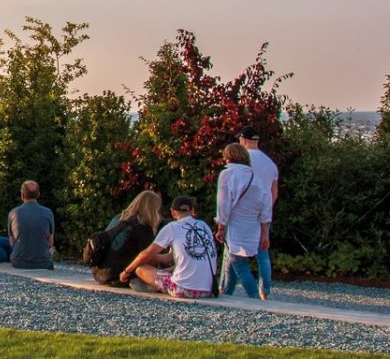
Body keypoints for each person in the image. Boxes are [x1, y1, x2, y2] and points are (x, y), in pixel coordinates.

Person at [119, 195, 217, 300]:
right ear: (192, 210)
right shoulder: (204, 226)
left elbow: (146, 254)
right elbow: (169, 257)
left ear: (173, 212)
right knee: (173, 266)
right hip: (208, 290)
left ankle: (155, 284)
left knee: (141, 269)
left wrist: (127, 271)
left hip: (183, 290)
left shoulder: (172, 228)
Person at [215, 143, 272, 300]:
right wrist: (265, 233)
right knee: (232, 263)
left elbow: (223, 204)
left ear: (229, 157)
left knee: (238, 265)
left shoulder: (227, 175)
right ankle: (226, 294)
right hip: (253, 226)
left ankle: (254, 297)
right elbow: (265, 206)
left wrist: (221, 227)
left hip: (236, 225)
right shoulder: (255, 176)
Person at [239, 125, 279, 299]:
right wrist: (267, 208)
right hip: (264, 212)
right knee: (263, 252)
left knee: (236, 253)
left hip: (245, 211)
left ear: (244, 140)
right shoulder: (270, 163)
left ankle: (230, 289)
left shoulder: (242, 160)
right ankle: (265, 290)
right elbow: (274, 192)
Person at [90, 190, 164, 285]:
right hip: (118, 276)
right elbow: (146, 257)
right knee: (148, 270)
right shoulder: (142, 226)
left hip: (99, 273)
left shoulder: (119, 218)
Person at [8, 181, 55, 269]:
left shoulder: (13, 213)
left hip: (19, 262)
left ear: (22, 195)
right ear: (38, 194)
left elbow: (12, 243)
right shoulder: (48, 212)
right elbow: (50, 243)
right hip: (44, 262)